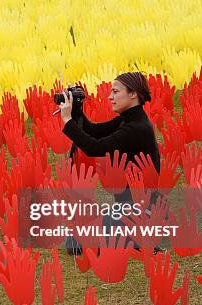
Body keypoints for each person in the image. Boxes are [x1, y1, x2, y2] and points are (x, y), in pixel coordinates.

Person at [57, 72, 161, 254]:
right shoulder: (128, 119)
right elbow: (94, 131)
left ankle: (141, 239)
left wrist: (67, 120)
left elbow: (94, 147)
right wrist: (76, 109)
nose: (110, 97)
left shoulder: (137, 128)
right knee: (74, 237)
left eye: (115, 92)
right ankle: (135, 238)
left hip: (139, 212)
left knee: (75, 243)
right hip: (127, 210)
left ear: (133, 94)